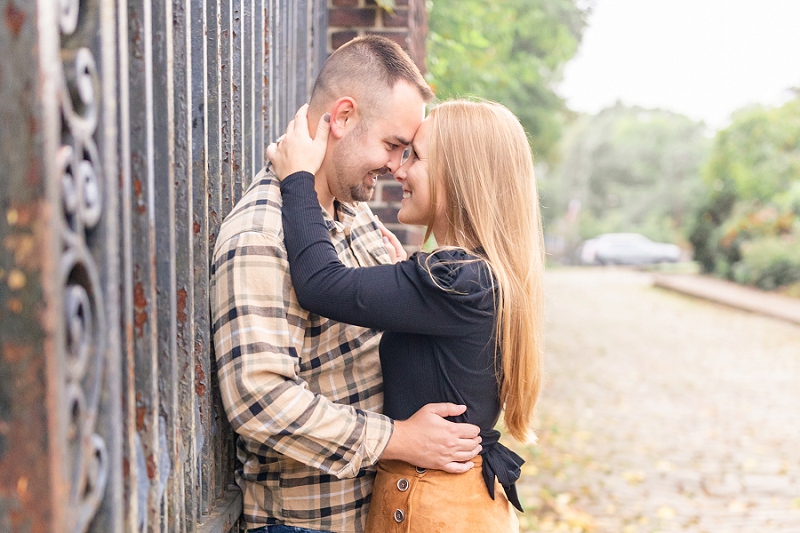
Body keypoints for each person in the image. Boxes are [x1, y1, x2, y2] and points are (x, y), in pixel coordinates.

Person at [209, 36, 482, 533]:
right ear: (342, 118)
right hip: (307, 523)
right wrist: (397, 439)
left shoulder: (355, 216)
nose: (397, 166)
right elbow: (261, 400)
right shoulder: (261, 234)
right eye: (393, 145)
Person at [267, 98, 545, 532]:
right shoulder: (475, 276)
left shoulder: (453, 281)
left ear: (457, 174)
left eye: (413, 156)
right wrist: (407, 276)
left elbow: (321, 284)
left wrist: (298, 177)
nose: (398, 169)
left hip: (431, 509)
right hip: (453, 503)